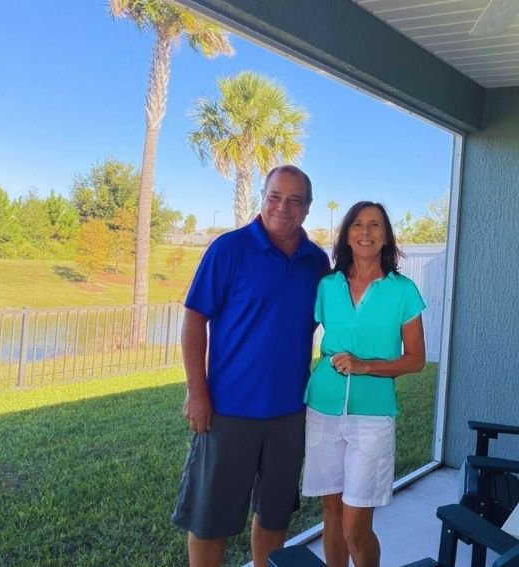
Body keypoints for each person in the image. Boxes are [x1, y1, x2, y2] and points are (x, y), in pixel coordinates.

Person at [171, 165, 330, 567]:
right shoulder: (229, 249)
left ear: (307, 208)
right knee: (210, 521)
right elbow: (194, 320)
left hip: (290, 413)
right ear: (262, 197)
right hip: (228, 411)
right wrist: (196, 392)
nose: (283, 207)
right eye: (275, 196)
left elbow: (329, 321)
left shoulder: (316, 261)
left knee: (275, 515)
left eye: (294, 200)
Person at [302, 201, 426, 567]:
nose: (365, 232)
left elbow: (416, 360)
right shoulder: (327, 286)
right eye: (357, 224)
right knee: (331, 515)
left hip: (372, 416)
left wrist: (366, 366)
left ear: (386, 236)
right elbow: (299, 334)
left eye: (375, 225)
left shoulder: (403, 290)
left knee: (356, 526)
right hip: (322, 409)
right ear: (347, 235)